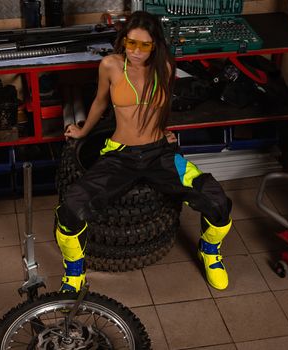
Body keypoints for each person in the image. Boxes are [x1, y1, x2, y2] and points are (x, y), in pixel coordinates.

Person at [55, 11, 233, 292]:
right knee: (70, 209)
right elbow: (100, 102)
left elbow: (162, 105)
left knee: (217, 200)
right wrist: (83, 131)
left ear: (155, 45)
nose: (135, 51)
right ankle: (74, 272)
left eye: (144, 45)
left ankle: (210, 251)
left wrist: (164, 129)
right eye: (131, 43)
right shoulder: (110, 66)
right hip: (120, 154)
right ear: (123, 41)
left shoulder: (164, 66)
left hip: (158, 154)